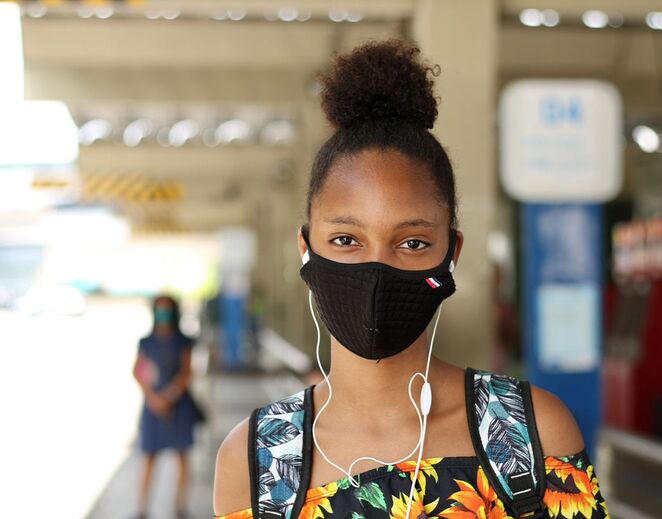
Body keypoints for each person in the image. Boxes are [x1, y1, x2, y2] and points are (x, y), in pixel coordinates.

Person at [213, 39, 609, 519]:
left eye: (413, 243)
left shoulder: (528, 432)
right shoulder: (257, 461)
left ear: (451, 253)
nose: (376, 272)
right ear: (306, 250)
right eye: (345, 240)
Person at [133, 294, 199, 519]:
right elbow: (137, 371)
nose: (163, 315)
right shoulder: (146, 342)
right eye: (159, 310)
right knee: (149, 455)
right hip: (152, 406)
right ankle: (141, 508)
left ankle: (179, 507)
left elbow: (187, 371)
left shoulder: (183, 341)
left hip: (178, 406)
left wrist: (169, 396)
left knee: (182, 456)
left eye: (167, 310)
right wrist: (153, 398)